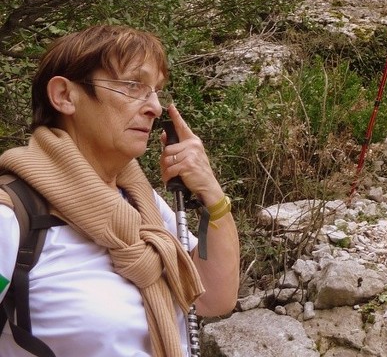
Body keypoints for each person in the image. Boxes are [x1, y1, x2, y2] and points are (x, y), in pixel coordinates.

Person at [0, 24, 240, 357]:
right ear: (64, 96)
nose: (154, 107)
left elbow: (214, 296)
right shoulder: (13, 215)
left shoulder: (144, 206)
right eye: (133, 86)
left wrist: (212, 195)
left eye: (155, 90)